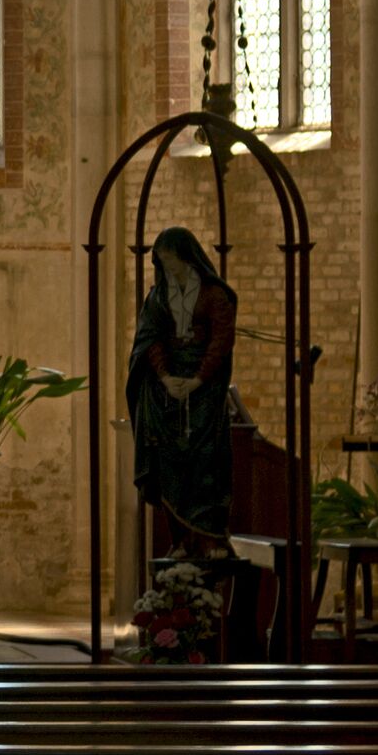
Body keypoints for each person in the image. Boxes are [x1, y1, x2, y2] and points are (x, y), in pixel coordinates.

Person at [125, 226, 239, 546]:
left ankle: (212, 537)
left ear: (188, 258)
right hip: (169, 388)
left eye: (172, 261)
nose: (168, 268)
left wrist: (198, 379)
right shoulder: (159, 295)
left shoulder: (213, 294)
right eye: (162, 262)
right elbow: (150, 338)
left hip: (204, 387)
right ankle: (180, 540)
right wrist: (164, 377)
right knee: (168, 464)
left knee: (206, 462)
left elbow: (221, 342)